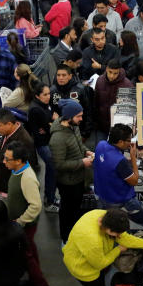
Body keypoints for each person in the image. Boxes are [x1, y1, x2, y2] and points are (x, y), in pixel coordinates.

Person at [1, 142, 52, 286]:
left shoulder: (27, 178)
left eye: (7, 159)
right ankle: (32, 279)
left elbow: (36, 205)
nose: (4, 161)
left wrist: (20, 221)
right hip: (21, 224)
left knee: (26, 255)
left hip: (25, 225)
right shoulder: (17, 170)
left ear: (18, 161)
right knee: (30, 250)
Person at [92, 123, 143, 231]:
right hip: (121, 200)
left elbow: (107, 165)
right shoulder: (120, 161)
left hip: (102, 196)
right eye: (129, 140)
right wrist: (133, 158)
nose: (131, 143)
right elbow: (134, 181)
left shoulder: (101, 145)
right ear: (120, 142)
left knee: (111, 226)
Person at [50, 99, 94, 242]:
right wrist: (82, 162)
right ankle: (66, 239)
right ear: (69, 117)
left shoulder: (73, 127)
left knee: (76, 210)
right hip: (68, 183)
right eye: (78, 116)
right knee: (67, 212)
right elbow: (59, 164)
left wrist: (87, 152)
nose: (81, 119)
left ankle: (76, 234)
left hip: (79, 178)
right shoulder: (57, 139)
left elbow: (79, 145)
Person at [94, 60, 133, 136]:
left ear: (119, 71)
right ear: (106, 69)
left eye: (115, 73)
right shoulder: (100, 80)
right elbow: (96, 102)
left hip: (119, 128)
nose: (112, 76)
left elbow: (130, 111)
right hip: (101, 125)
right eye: (110, 72)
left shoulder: (127, 85)